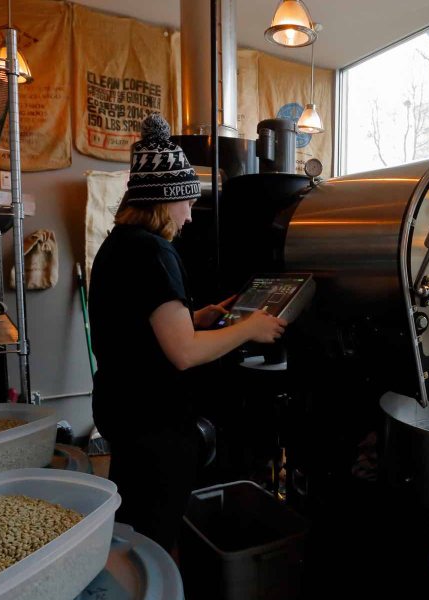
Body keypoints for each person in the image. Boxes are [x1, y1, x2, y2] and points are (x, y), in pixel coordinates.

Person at [89, 113, 286, 552]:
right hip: (153, 422)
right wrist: (251, 326)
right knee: (155, 533)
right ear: (165, 200)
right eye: (187, 204)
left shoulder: (117, 244)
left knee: (133, 521)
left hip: (122, 411)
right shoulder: (155, 252)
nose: (190, 217)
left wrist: (199, 316)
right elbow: (183, 353)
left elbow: (140, 326)